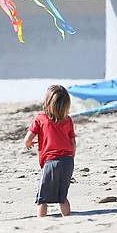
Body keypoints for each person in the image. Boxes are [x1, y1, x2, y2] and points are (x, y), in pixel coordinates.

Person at [23, 85, 76, 218]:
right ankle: (67, 217)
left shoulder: (40, 118)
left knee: (43, 198)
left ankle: (41, 220)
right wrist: (71, 157)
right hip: (68, 161)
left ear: (47, 101)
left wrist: (28, 144)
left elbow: (28, 138)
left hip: (51, 162)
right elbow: (73, 143)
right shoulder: (68, 120)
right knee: (62, 196)